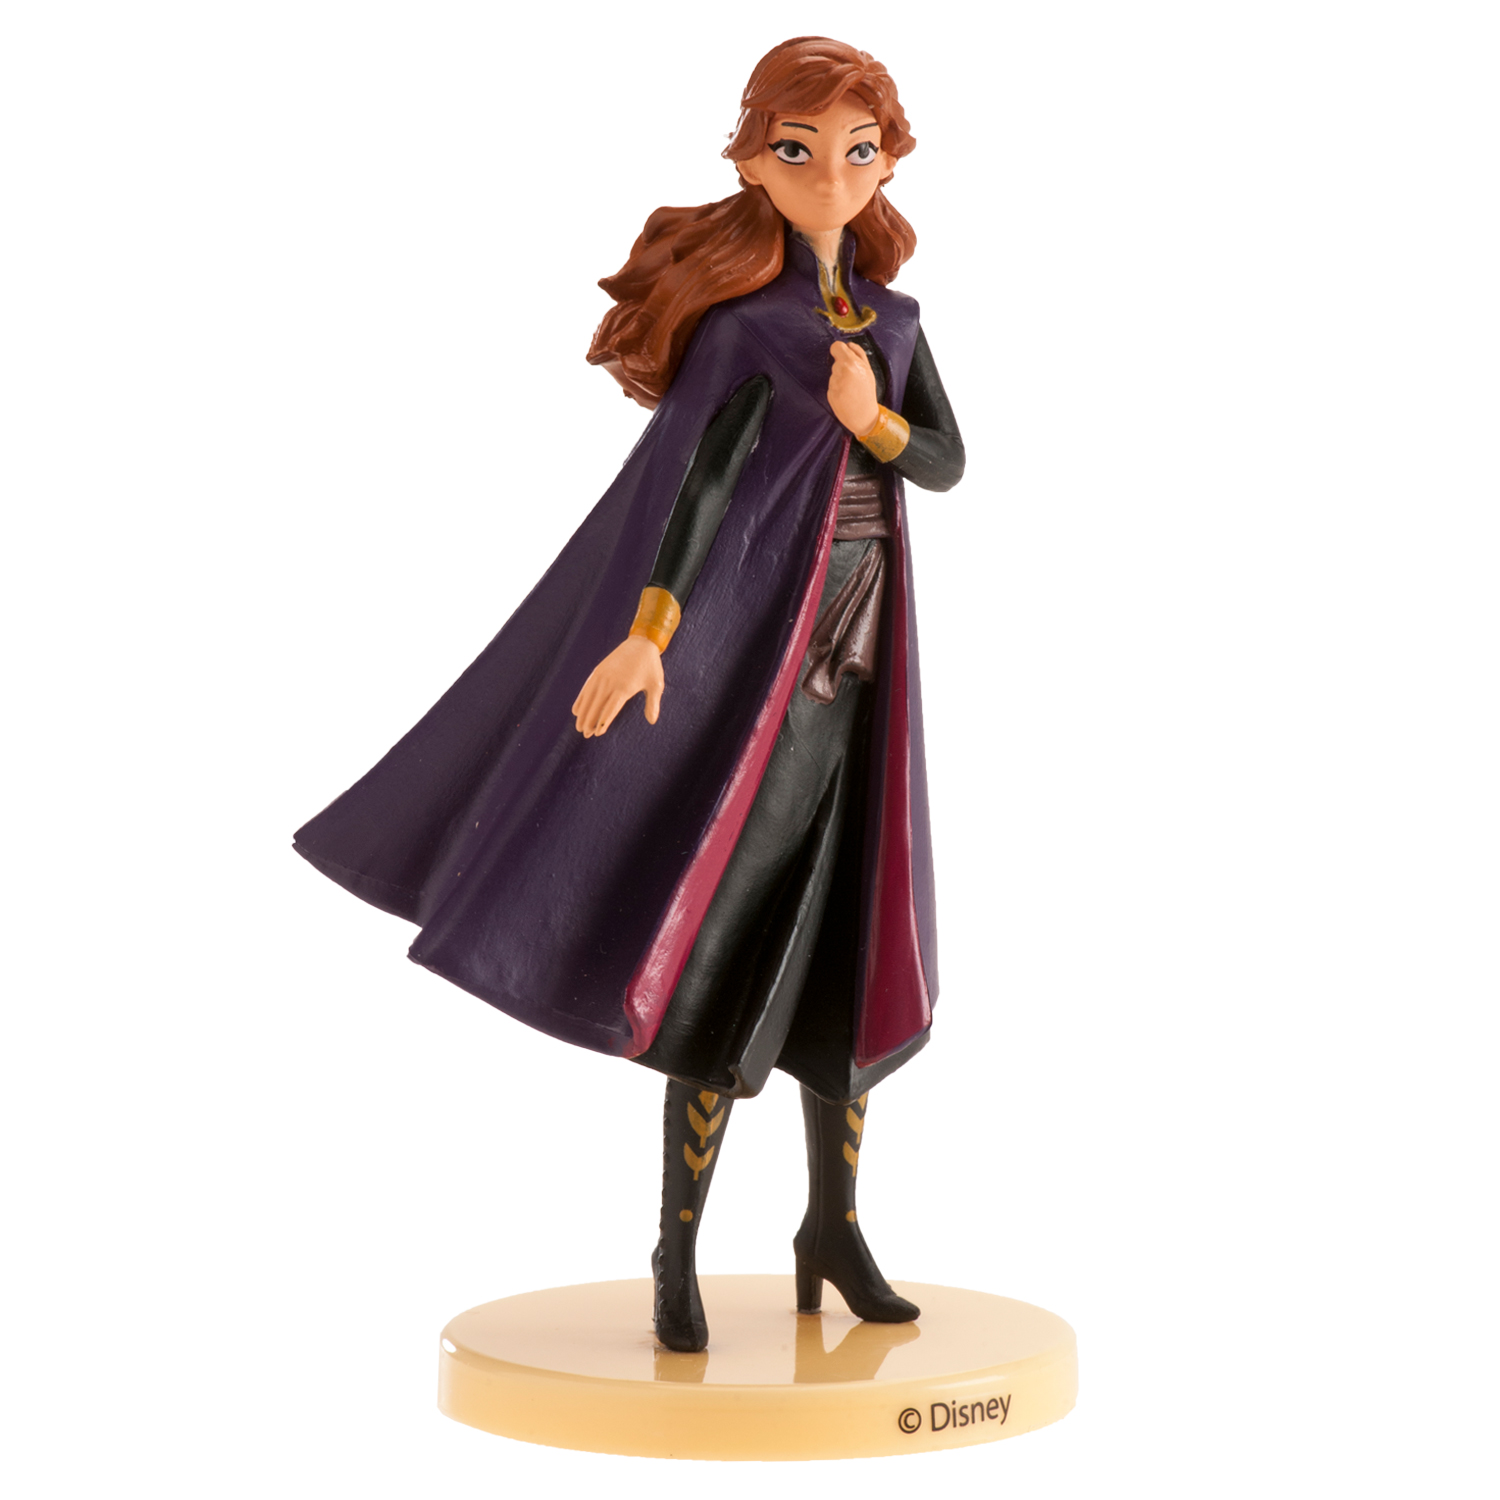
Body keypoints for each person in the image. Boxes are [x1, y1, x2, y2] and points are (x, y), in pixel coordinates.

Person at [294, 36, 964, 1353]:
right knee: (721, 949)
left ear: (889, 161)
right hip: (763, 664)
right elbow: (697, 488)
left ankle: (833, 1226)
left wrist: (873, 421)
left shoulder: (892, 326)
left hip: (869, 659)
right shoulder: (750, 329)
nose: (831, 177)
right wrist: (650, 633)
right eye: (799, 150)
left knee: (853, 943)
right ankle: (677, 1249)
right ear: (753, 161)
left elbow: (942, 460)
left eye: (858, 151)